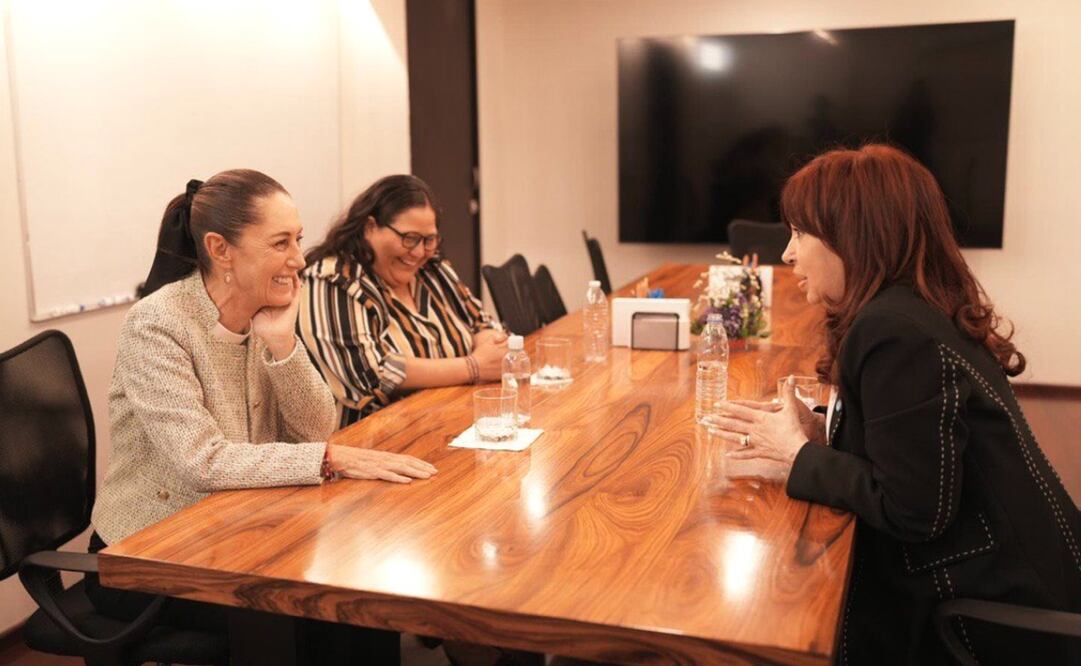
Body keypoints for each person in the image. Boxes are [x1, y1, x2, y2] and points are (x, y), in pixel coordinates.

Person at [713, 145, 1080, 664]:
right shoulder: (913, 308)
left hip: (985, 605)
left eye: (800, 233)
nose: (788, 254)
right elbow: (911, 441)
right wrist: (821, 433)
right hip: (1023, 566)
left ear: (853, 236)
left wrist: (798, 457)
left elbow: (914, 512)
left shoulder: (893, 330)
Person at [89, 169, 437, 659]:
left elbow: (318, 428)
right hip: (149, 556)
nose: (298, 258)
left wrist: (283, 345)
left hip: (239, 529)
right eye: (280, 243)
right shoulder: (157, 324)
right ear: (220, 249)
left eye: (297, 239)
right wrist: (331, 460)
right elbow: (201, 462)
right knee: (322, 615)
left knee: (360, 599)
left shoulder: (264, 311)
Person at [300, 174, 506, 427]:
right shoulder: (332, 281)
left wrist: (491, 348)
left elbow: (481, 322)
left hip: (451, 424)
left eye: (429, 240)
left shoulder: (433, 269)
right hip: (374, 444)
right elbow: (375, 375)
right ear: (370, 228)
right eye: (409, 238)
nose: (419, 252)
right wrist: (474, 367)